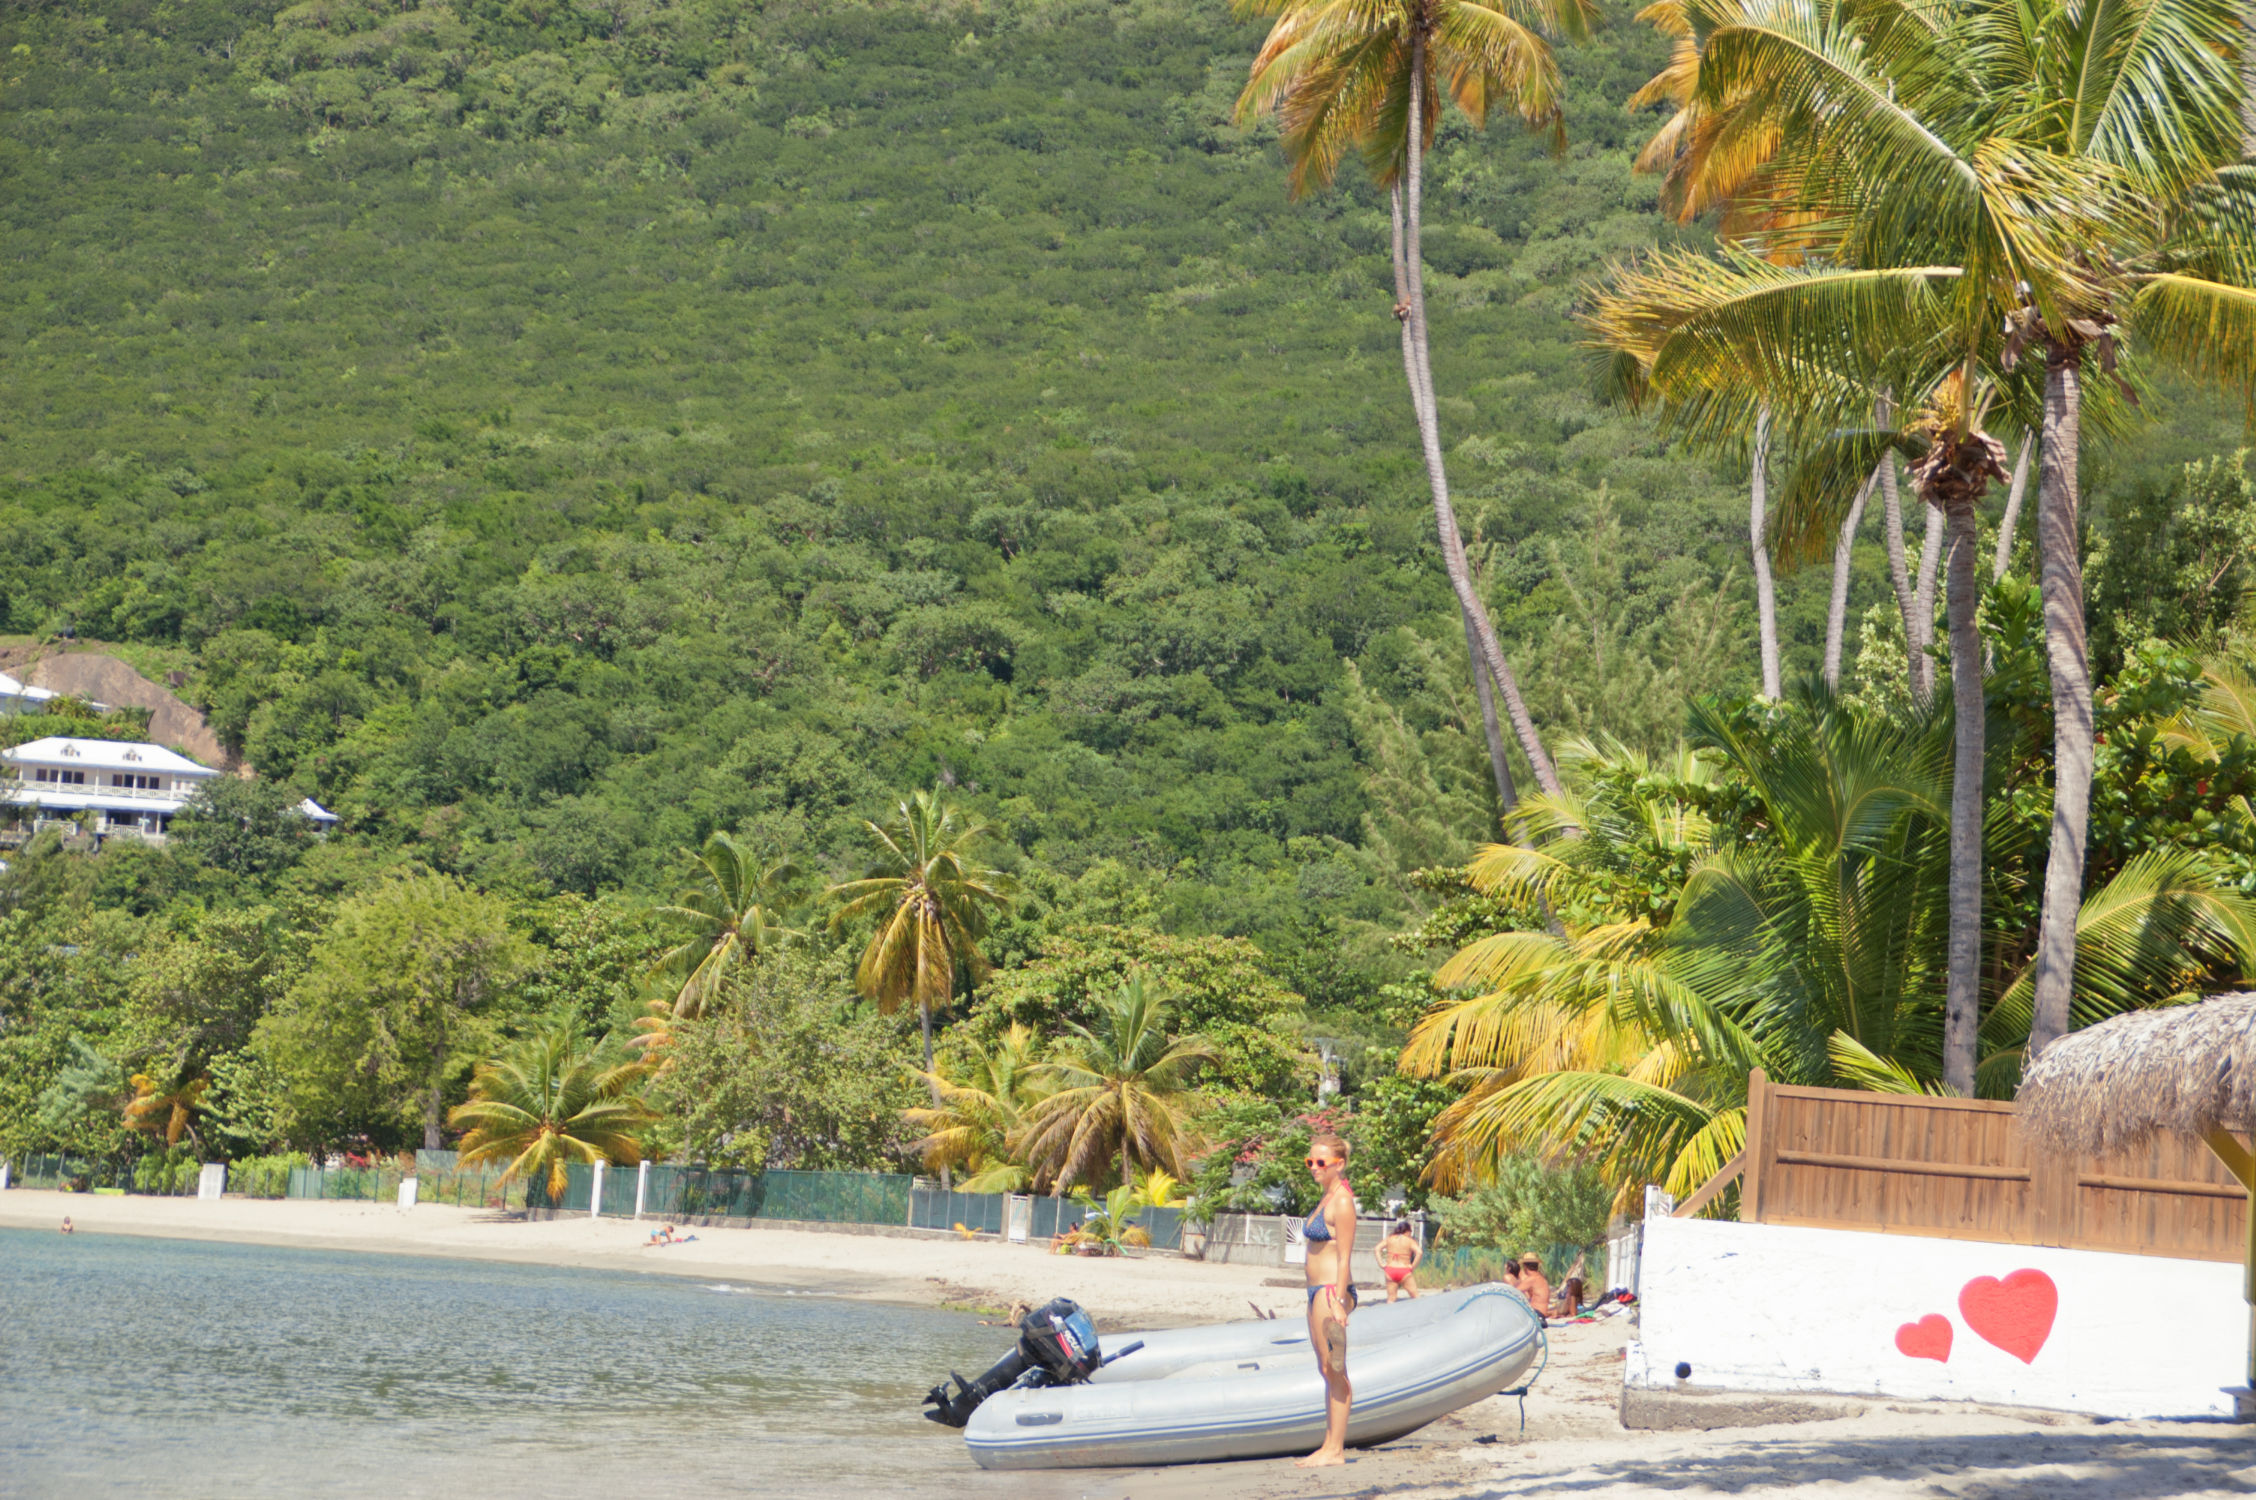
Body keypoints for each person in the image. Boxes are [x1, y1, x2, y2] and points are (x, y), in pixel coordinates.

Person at [1296, 1133, 1358, 1468]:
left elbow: (1345, 1257)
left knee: (1336, 1369)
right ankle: (1328, 1444)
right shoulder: (1326, 1197)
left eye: (1321, 1162)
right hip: (1314, 1291)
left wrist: (1339, 1299)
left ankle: (1337, 1449)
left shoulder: (1343, 1201)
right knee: (1325, 1368)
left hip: (1330, 1291)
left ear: (1340, 1164)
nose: (1314, 1167)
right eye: (1310, 1162)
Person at [1377, 1220, 1422, 1302]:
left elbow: (1377, 1248)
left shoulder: (1389, 1239)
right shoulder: (1410, 1241)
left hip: (1390, 1269)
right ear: (1407, 1231)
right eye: (1410, 1232)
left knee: (1391, 1298)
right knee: (1415, 1296)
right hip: (1404, 1270)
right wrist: (1412, 1266)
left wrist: (1381, 1263)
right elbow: (1419, 1252)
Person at [1518, 1254, 1552, 1319]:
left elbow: (1513, 1292)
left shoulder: (1532, 1279)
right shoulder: (1541, 1278)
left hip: (1537, 1314)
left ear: (1525, 1266)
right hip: (1541, 1314)